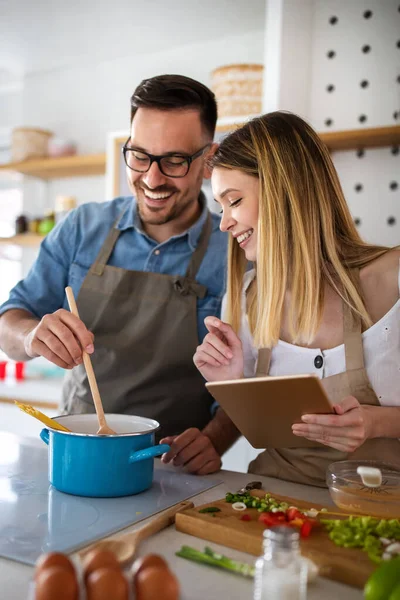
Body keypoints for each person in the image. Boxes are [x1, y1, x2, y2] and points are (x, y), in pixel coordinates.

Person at [0, 74, 239, 475]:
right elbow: (10, 320)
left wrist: (214, 439)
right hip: (75, 453)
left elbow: (248, 380)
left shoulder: (235, 250)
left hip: (167, 469)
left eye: (175, 160)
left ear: (208, 161)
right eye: (140, 156)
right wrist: (31, 335)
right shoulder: (82, 228)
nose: (152, 178)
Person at [193, 110, 400, 486]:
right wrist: (232, 382)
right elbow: (258, 427)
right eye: (220, 208)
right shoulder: (246, 297)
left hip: (380, 517)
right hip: (273, 504)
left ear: (284, 191)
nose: (224, 223)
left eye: (234, 201)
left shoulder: (394, 278)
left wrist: (377, 423)